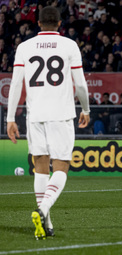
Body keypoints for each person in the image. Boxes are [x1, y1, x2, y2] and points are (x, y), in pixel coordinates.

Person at [6, 6, 90, 240]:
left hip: (34, 115)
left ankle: (47, 223)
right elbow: (81, 84)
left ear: (39, 24)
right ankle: (43, 210)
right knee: (61, 167)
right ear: (60, 24)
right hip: (61, 114)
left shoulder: (25, 47)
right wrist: (85, 108)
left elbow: (15, 84)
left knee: (40, 168)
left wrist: (10, 118)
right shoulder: (69, 45)